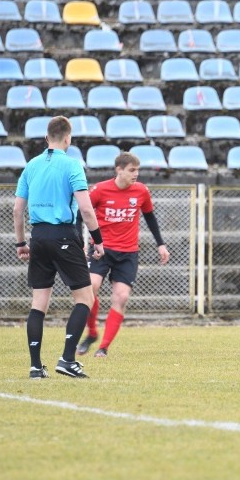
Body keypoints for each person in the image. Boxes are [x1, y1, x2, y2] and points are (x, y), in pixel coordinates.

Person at [13, 115, 104, 379]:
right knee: (85, 298)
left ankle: (34, 366)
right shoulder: (72, 165)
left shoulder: (31, 165)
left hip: (38, 236)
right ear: (68, 138)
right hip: (64, 234)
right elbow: (86, 208)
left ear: (46, 138)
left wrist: (21, 242)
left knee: (38, 303)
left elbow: (17, 210)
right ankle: (66, 359)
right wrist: (98, 240)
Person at [76, 152, 170, 358]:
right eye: (132, 170)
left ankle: (104, 347)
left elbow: (150, 217)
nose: (136, 174)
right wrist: (79, 242)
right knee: (90, 288)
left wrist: (160, 244)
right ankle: (91, 333)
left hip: (128, 253)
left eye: (137, 170)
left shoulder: (141, 191)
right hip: (102, 250)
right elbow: (80, 215)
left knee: (122, 297)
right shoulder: (100, 190)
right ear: (119, 170)